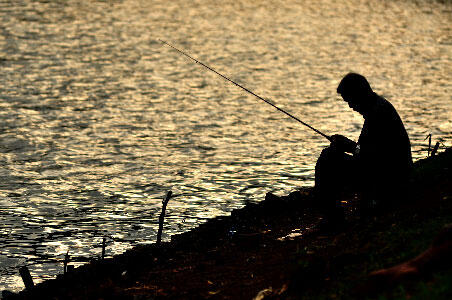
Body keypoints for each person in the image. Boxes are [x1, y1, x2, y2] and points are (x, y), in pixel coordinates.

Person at [314, 73, 413, 223]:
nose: (351, 106)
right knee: (330, 155)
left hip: (390, 177)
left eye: (350, 100)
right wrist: (350, 146)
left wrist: (349, 146)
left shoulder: (377, 114)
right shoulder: (379, 108)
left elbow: (372, 157)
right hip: (389, 172)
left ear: (359, 93)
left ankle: (333, 218)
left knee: (328, 159)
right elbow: (370, 151)